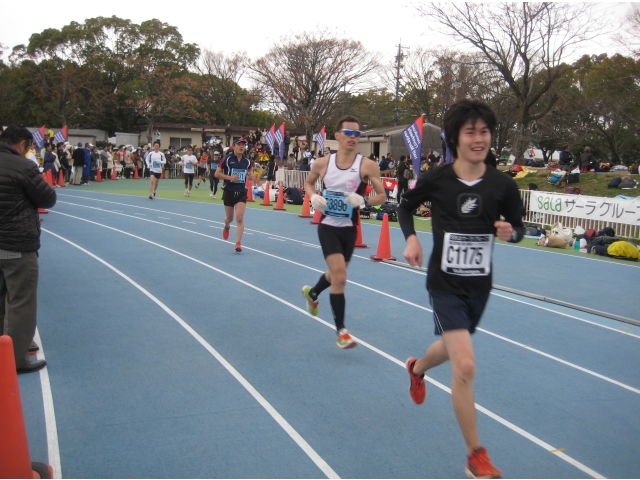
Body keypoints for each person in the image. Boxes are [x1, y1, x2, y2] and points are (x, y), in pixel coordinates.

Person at [398, 99, 525, 479]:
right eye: (471, 131)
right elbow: (404, 207)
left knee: (453, 348)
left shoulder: (502, 184)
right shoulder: (438, 179)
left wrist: (511, 232)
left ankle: (417, 368)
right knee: (465, 364)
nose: (479, 138)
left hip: (479, 287)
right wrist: (411, 240)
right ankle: (476, 456)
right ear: (455, 137)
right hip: (444, 284)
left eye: (484, 131)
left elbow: (519, 228)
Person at [301, 115, 386, 348]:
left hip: (350, 229)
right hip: (328, 226)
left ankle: (313, 293)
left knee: (336, 275)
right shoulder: (322, 163)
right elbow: (309, 183)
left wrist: (364, 200)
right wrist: (314, 196)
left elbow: (382, 196)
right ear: (337, 136)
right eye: (348, 133)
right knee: (340, 276)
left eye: (357, 134)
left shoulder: (367, 165)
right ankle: (342, 332)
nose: (353, 138)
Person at [0, 126, 57, 374]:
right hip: (15, 244)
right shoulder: (23, 167)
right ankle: (15, 359)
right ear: (22, 144)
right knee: (21, 301)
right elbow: (47, 198)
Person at [215, 137, 253, 252]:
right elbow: (217, 173)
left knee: (240, 217)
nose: (241, 146)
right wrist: (230, 178)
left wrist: (251, 176)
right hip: (229, 191)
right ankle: (226, 225)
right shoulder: (227, 159)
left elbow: (251, 172)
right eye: (239, 144)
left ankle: (238, 243)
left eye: (243, 145)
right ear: (234, 146)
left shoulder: (247, 161)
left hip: (241, 191)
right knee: (230, 218)